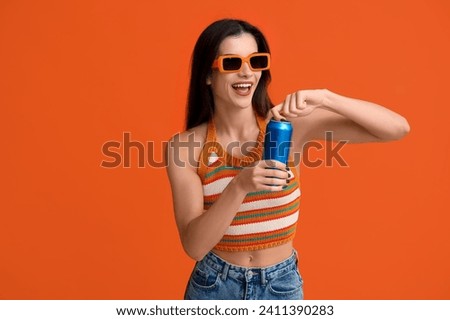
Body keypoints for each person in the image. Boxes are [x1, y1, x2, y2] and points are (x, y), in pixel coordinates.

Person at [165, 19, 410, 300]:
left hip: (280, 285)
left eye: (256, 61)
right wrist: (240, 185)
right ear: (208, 75)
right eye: (232, 63)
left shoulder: (288, 125)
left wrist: (326, 98)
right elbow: (194, 247)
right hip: (213, 286)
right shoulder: (184, 147)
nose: (247, 73)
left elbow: (397, 128)